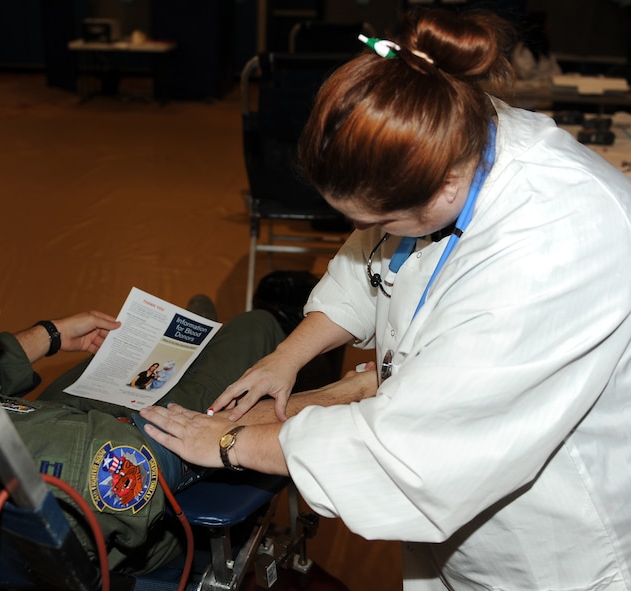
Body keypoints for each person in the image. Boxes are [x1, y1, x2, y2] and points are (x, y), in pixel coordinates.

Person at [140, 7, 631, 590]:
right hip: (456, 530)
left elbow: (412, 456)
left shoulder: (559, 238)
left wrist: (228, 443)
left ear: (444, 184)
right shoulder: (446, 125)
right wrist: (286, 358)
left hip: (553, 546)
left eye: (386, 218)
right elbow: (373, 266)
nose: (373, 230)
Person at [0, 194, 377, 575]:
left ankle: (201, 327)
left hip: (36, 438)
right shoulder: (89, 466)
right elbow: (193, 442)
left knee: (170, 345)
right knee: (254, 329)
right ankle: (217, 331)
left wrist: (49, 335)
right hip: (129, 464)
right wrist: (329, 398)